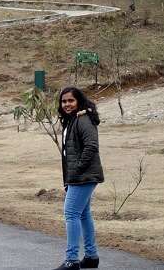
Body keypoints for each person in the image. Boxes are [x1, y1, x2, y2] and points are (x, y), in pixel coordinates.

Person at [53, 87, 104, 270]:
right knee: (83, 214)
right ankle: (91, 257)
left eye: (71, 101)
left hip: (84, 176)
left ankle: (72, 260)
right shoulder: (72, 120)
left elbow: (91, 146)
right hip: (78, 176)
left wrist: (76, 171)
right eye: (64, 101)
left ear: (79, 101)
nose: (67, 104)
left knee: (71, 213)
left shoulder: (83, 120)